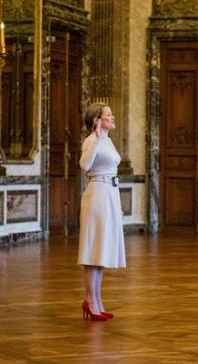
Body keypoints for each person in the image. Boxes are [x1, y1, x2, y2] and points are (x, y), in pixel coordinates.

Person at [77, 102, 126, 321]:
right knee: (94, 251)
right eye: (108, 114)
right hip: (97, 194)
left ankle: (97, 299)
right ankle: (90, 300)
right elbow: (84, 165)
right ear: (97, 120)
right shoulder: (91, 140)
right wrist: (96, 138)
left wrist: (118, 205)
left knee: (102, 250)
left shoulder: (108, 141)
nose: (113, 117)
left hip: (110, 193)